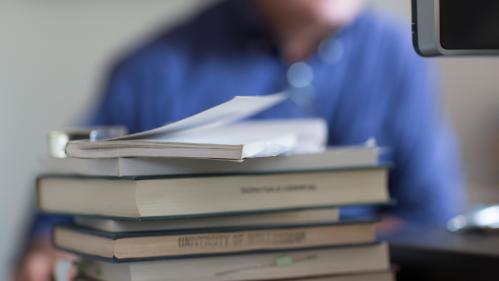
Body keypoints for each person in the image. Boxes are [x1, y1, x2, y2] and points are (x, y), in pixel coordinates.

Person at [14, 0, 464, 280]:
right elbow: (55, 227)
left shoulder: (399, 59)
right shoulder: (153, 67)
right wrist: (51, 254)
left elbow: (434, 219)